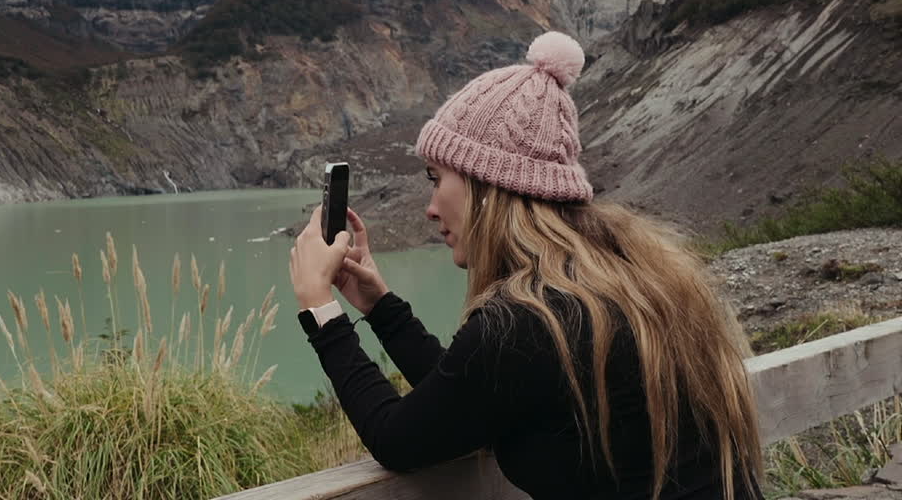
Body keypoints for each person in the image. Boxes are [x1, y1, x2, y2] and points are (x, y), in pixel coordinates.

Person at [288, 31, 762, 500]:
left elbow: (397, 438)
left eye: (437, 180)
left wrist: (319, 307)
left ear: (487, 184)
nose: (431, 207)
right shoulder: (621, 277)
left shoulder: (527, 321)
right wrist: (379, 306)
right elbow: (469, 396)